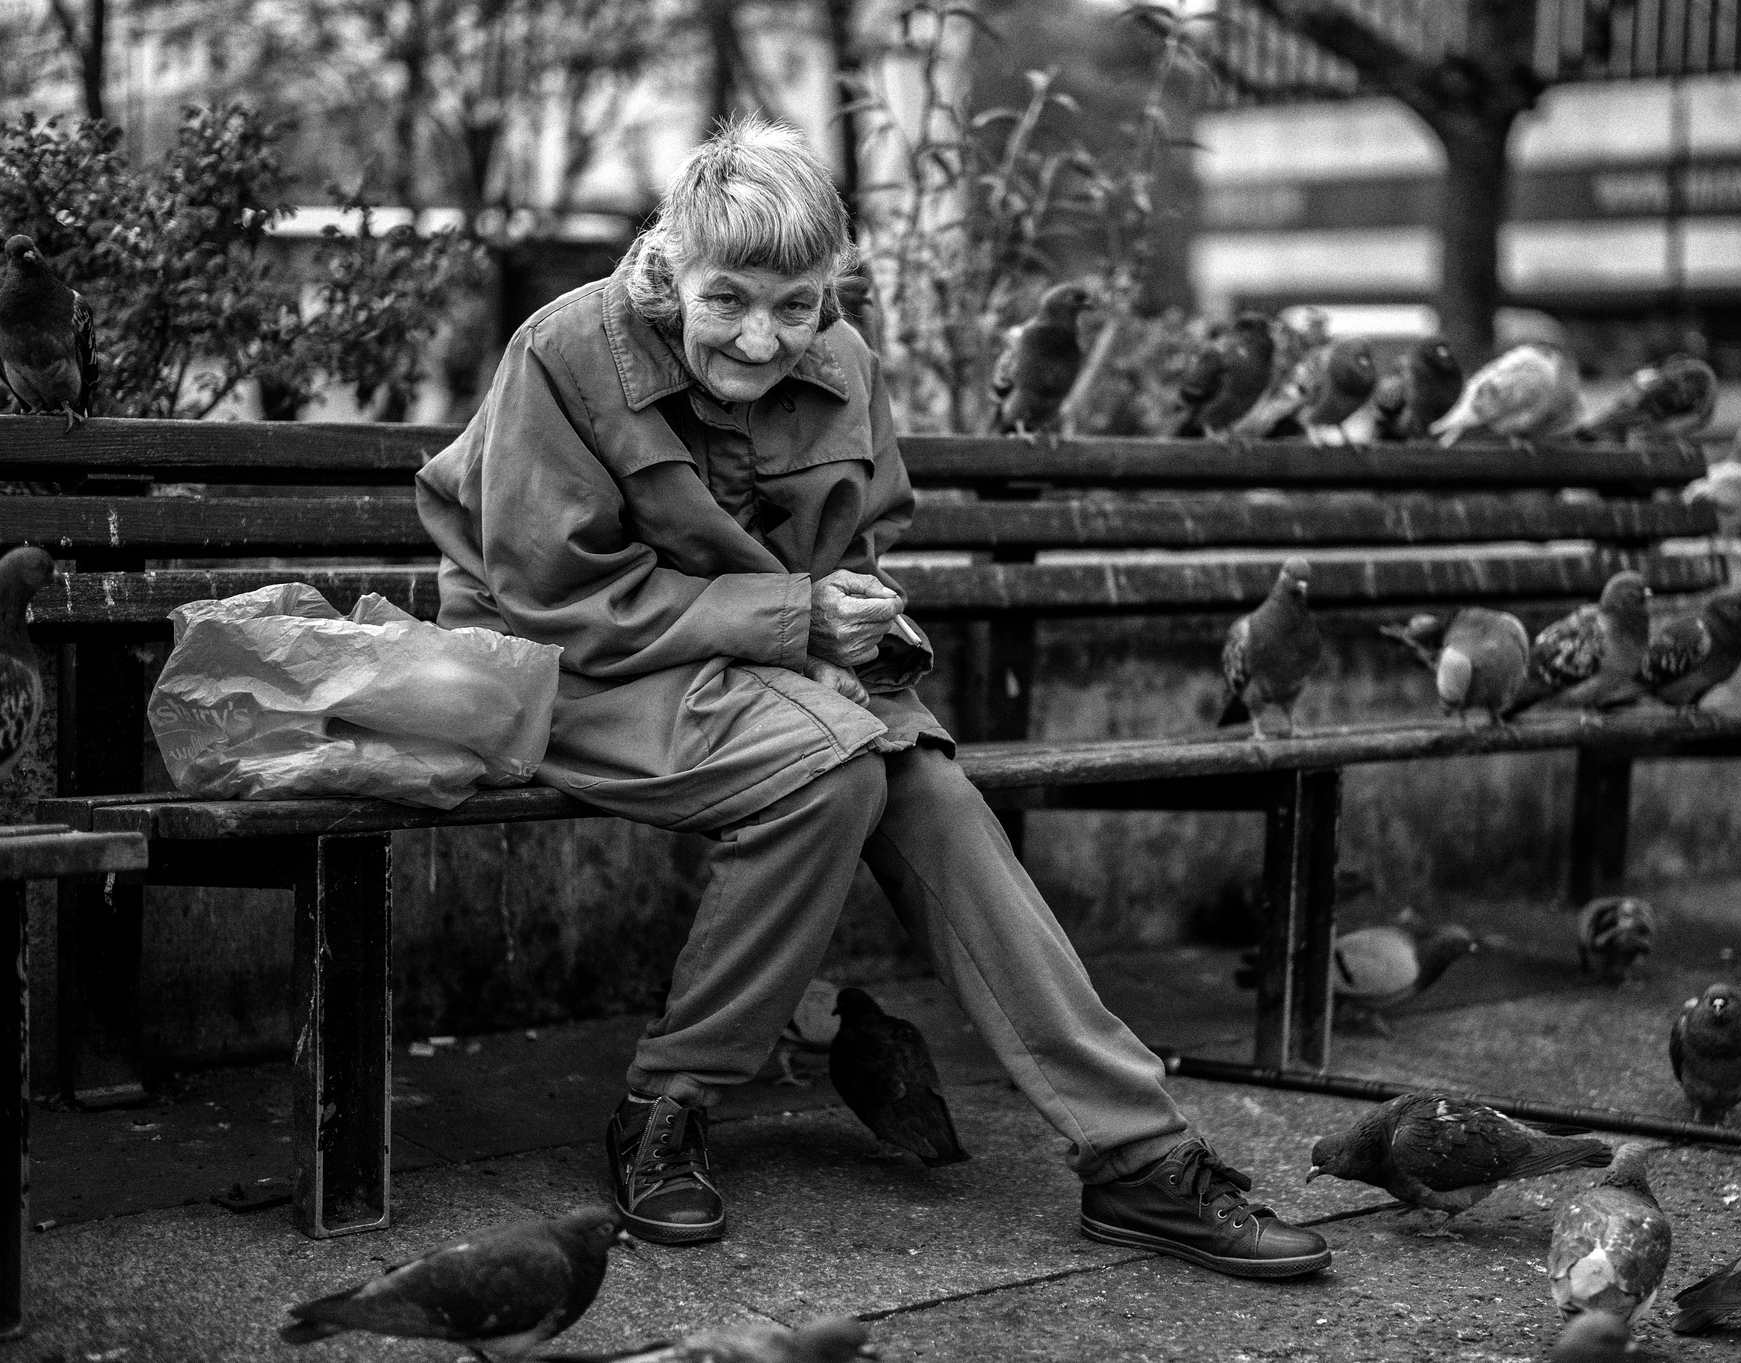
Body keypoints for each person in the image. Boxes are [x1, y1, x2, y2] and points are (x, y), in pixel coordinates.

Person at [415, 115, 1329, 1281]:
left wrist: (858, 623)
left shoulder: (842, 368)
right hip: (556, 663)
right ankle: (667, 1107)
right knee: (833, 771)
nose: (762, 337)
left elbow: (862, 540)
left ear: (831, 286)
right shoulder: (567, 352)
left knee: (926, 785)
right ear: (672, 264)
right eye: (729, 299)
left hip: (758, 671)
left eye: (796, 305)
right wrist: (795, 616)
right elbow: (552, 596)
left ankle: (1136, 1155)